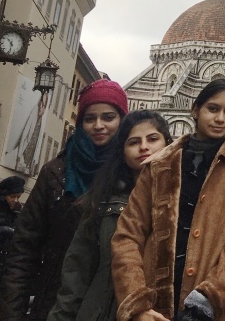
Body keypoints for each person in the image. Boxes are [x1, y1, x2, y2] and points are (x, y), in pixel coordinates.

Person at [112, 79, 225, 321]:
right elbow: (128, 235)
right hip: (152, 305)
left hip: (208, 309)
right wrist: (137, 303)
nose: (220, 118)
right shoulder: (159, 164)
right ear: (195, 110)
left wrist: (208, 297)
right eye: (212, 109)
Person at [2, 79, 129, 321]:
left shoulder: (134, 173)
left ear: (122, 121)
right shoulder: (55, 172)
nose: (98, 125)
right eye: (89, 118)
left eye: (108, 117)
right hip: (54, 305)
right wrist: (12, 315)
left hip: (112, 309)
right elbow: (23, 249)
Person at [48, 111, 172, 321]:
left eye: (152, 139)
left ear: (168, 144)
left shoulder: (183, 199)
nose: (144, 147)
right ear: (122, 151)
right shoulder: (102, 201)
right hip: (102, 312)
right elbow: (77, 271)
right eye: (134, 142)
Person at [0, 176, 24, 299]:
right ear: (3, 195)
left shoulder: (18, 212)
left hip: (6, 266)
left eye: (18, 197)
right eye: (12, 197)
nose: (16, 200)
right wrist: (1, 231)